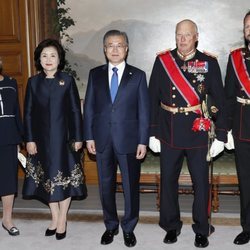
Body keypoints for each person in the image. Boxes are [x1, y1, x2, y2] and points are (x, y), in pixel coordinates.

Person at [148, 19, 227, 248]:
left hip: (198, 131)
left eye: (187, 35)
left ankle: (202, 228)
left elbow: (220, 100)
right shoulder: (163, 61)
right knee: (168, 182)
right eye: (178, 34)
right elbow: (152, 98)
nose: (182, 39)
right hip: (168, 130)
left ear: (196, 36)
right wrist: (152, 133)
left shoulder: (208, 62)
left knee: (201, 183)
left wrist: (221, 135)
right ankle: (171, 226)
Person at [83, 30, 149, 247]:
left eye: (119, 45)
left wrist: (143, 140)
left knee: (131, 186)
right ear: (104, 49)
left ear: (126, 49)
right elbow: (89, 108)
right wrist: (89, 136)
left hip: (129, 140)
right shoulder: (95, 75)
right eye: (110, 45)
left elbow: (143, 112)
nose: (114, 49)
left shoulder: (138, 76)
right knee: (105, 185)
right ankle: (110, 226)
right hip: (101, 139)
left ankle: (129, 227)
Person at [22, 39, 87, 240]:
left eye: (53, 55)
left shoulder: (67, 80)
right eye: (44, 56)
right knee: (46, 180)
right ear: (38, 60)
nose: (48, 59)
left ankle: (62, 220)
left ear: (59, 59)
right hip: (40, 141)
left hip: (64, 140)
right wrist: (29, 140)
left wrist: (78, 137)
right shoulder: (33, 82)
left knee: (63, 179)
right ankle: (55, 216)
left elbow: (76, 111)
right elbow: (29, 114)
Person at [224, 10, 250, 245]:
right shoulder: (235, 58)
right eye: (247, 27)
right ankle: (248, 227)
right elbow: (228, 96)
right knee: (246, 181)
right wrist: (226, 130)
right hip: (243, 127)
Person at [0, 57, 23, 236]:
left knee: (8, 179)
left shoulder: (11, 83)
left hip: (8, 136)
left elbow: (16, 111)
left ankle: (7, 220)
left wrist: (19, 138)